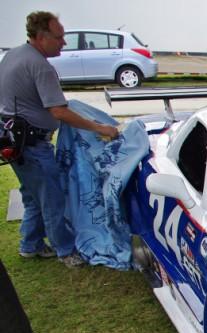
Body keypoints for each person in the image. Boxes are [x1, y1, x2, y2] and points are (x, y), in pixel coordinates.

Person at [0, 11, 118, 268]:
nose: (64, 42)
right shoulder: (40, 66)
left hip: (13, 139)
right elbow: (58, 111)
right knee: (51, 197)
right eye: (59, 37)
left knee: (34, 195)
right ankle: (65, 251)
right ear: (42, 38)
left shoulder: (14, 54)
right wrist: (99, 127)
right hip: (30, 144)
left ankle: (29, 245)